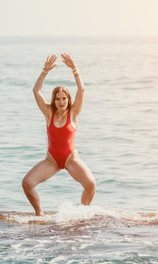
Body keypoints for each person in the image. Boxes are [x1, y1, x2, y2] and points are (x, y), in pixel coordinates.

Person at [22, 53, 96, 216]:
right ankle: (39, 214)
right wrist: (45, 71)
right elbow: (36, 91)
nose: (61, 102)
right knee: (27, 183)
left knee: (90, 184)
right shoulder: (49, 113)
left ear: (68, 100)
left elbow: (81, 89)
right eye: (57, 99)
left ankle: (82, 214)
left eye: (64, 98)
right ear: (53, 101)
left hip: (71, 159)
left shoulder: (74, 113)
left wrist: (74, 68)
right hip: (52, 160)